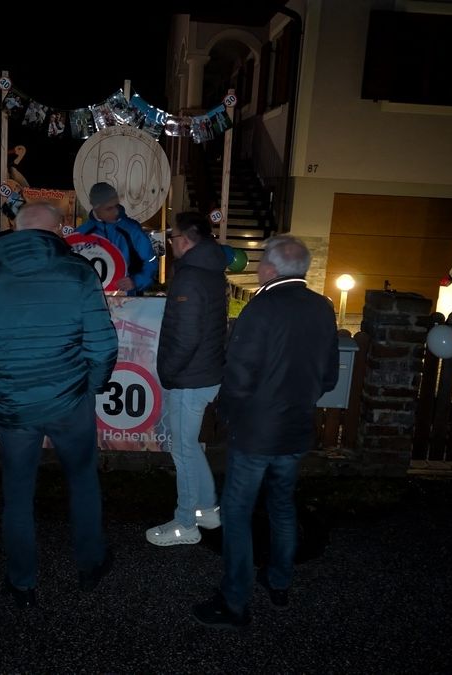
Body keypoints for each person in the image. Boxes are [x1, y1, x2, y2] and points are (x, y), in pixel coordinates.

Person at [0, 201, 118, 609]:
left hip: (15, 409)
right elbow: (104, 344)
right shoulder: (78, 272)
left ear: (16, 227)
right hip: (70, 404)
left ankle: (23, 582)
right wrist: (91, 386)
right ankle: (90, 565)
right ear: (59, 231)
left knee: (18, 493)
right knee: (81, 481)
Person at [192, 235, 339, 629]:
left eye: (261, 264)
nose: (257, 269)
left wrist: (228, 413)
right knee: (282, 504)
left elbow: (238, 375)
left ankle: (235, 601)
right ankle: (279, 582)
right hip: (295, 427)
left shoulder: (262, 308)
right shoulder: (323, 309)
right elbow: (328, 376)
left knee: (237, 512)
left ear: (271, 268)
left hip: (256, 430)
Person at [146, 212, 228, 546]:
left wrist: (168, 372)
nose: (171, 242)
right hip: (203, 372)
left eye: (173, 235)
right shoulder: (209, 271)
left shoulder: (190, 276)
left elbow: (185, 334)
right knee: (189, 446)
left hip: (189, 377)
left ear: (187, 238)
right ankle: (206, 510)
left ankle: (185, 524)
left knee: (181, 449)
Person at [76, 182, 158, 295]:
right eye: (109, 208)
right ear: (95, 207)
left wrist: (135, 281)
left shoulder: (132, 230)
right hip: (92, 301)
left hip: (127, 303)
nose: (115, 211)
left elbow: (151, 261)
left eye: (116, 205)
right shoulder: (81, 234)